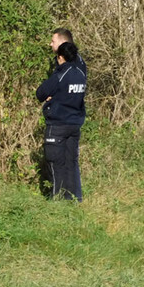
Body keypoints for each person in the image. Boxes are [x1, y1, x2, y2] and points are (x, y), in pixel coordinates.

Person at [36, 40, 86, 201]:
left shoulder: (60, 74)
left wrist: (51, 97)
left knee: (55, 163)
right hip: (74, 125)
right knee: (71, 163)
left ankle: (57, 200)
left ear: (61, 57)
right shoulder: (81, 74)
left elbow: (40, 93)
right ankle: (75, 198)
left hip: (57, 125)